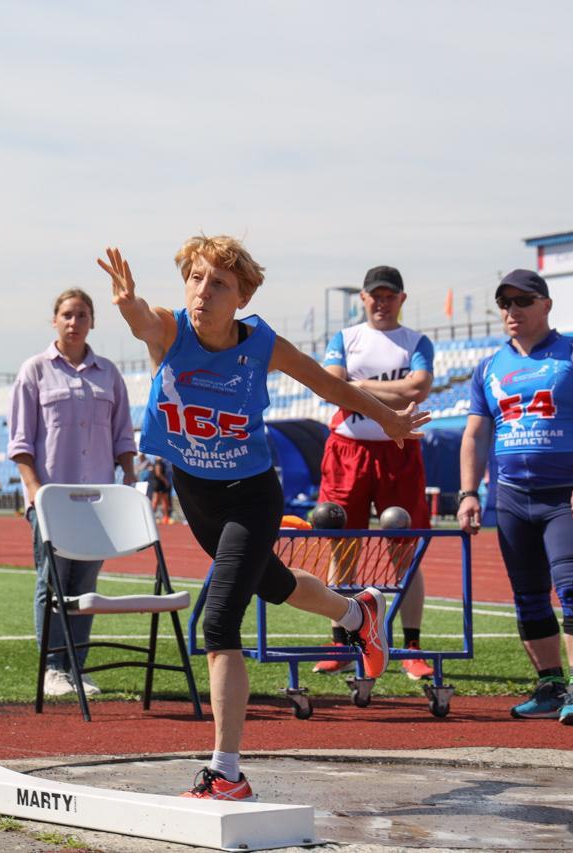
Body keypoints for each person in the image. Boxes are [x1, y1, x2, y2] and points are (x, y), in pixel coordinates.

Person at [99, 237, 427, 800]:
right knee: (274, 584)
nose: (203, 292)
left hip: (251, 494)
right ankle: (358, 612)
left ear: (243, 295)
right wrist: (127, 300)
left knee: (219, 624)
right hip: (195, 494)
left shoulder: (263, 345)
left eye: (218, 283)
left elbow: (333, 386)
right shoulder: (170, 331)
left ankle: (227, 773)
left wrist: (391, 421)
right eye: (196, 279)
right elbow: (140, 321)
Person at [459, 269, 573, 727]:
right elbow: (475, 433)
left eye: (522, 301)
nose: (513, 311)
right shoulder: (489, 366)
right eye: (505, 303)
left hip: (565, 495)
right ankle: (549, 685)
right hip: (510, 496)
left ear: (546, 305)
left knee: (571, 587)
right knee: (528, 595)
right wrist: (470, 493)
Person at [9, 288, 137, 699]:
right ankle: (52, 666)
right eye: (67, 314)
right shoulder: (35, 371)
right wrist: (34, 492)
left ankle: (76, 667)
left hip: (97, 501)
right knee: (52, 585)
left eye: (82, 314)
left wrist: (130, 478)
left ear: (92, 321)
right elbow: (21, 441)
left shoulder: (108, 374)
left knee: (85, 588)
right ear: (55, 320)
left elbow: (122, 433)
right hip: (51, 499)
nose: (74, 321)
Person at [312, 265, 436, 680]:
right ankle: (341, 643)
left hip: (399, 452)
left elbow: (418, 388)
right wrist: (382, 387)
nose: (381, 303)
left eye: (389, 296)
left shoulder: (416, 341)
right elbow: (331, 382)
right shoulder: (345, 338)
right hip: (348, 449)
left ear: (402, 299)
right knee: (341, 546)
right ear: (362, 299)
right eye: (374, 296)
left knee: (405, 553)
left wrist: (357, 386)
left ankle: (411, 647)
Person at [149, 455, 174, 524]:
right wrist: (165, 481)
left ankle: (166, 518)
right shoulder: (158, 463)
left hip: (161, 484)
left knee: (165, 501)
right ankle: (149, 516)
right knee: (155, 501)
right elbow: (158, 473)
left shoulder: (161, 462)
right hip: (158, 484)